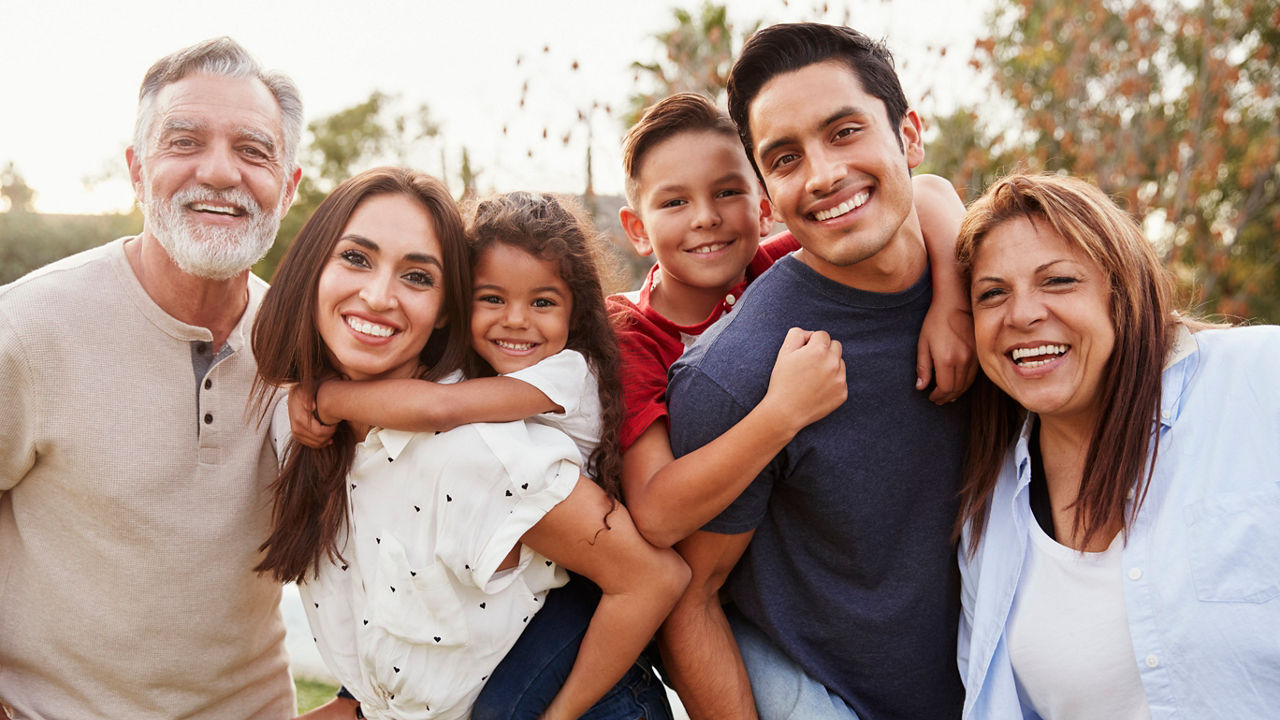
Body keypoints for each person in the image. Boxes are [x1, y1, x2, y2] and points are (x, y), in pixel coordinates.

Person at [253, 169, 689, 720]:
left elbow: (654, 577)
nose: (379, 295)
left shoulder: (485, 450)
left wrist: (329, 396)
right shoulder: (291, 424)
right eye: (357, 258)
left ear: (445, 310)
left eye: (416, 276)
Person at [663, 24, 973, 719]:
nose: (825, 173)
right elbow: (690, 595)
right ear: (767, 194)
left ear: (909, 136)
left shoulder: (995, 290)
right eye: (785, 157)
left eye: (844, 131)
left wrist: (956, 294)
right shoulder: (741, 376)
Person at [0, 38, 302, 720]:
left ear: (288, 186)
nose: (221, 173)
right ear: (137, 172)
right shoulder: (25, 329)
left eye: (254, 150)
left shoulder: (302, 346)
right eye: (185, 141)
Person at [954, 173, 1280, 719]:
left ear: (1121, 292)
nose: (1023, 314)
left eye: (1058, 281)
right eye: (993, 293)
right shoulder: (985, 521)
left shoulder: (1259, 382)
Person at [611, 91, 971, 551]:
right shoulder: (628, 332)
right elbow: (656, 515)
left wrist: (953, 303)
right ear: (638, 229)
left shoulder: (774, 268)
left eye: (727, 192)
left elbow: (926, 189)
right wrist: (783, 413)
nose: (706, 218)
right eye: (674, 202)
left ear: (765, 210)